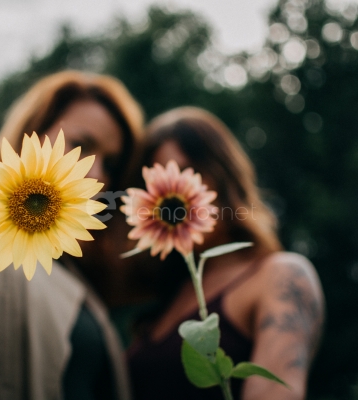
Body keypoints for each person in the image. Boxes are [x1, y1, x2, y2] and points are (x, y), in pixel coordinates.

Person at [0, 70, 145, 400]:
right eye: (81, 145)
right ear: (30, 134)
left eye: (111, 164)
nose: (98, 173)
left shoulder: (75, 271)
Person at [126, 106, 325, 400]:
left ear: (224, 176)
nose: (169, 195)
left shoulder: (279, 276)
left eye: (188, 173)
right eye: (152, 186)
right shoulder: (166, 298)